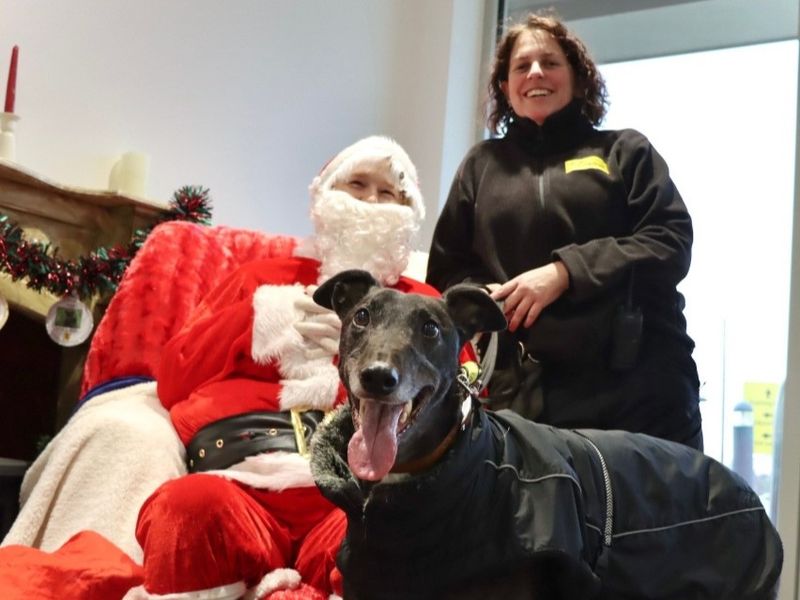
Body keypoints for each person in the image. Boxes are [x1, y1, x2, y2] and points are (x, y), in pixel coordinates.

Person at [124, 135, 449, 600]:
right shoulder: (258, 279)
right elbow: (174, 379)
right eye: (358, 184)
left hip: (357, 497)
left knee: (396, 532)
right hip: (241, 481)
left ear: (409, 213)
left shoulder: (424, 305)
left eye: (389, 193)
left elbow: (456, 402)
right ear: (325, 195)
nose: (372, 203)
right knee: (186, 507)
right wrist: (260, 320)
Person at [426, 13, 703, 450]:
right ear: (505, 87)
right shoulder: (481, 166)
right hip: (523, 397)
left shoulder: (624, 151)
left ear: (577, 78)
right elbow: (446, 270)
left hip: (640, 391)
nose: (536, 73)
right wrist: (482, 294)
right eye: (522, 66)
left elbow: (669, 241)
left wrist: (564, 272)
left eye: (550, 62)